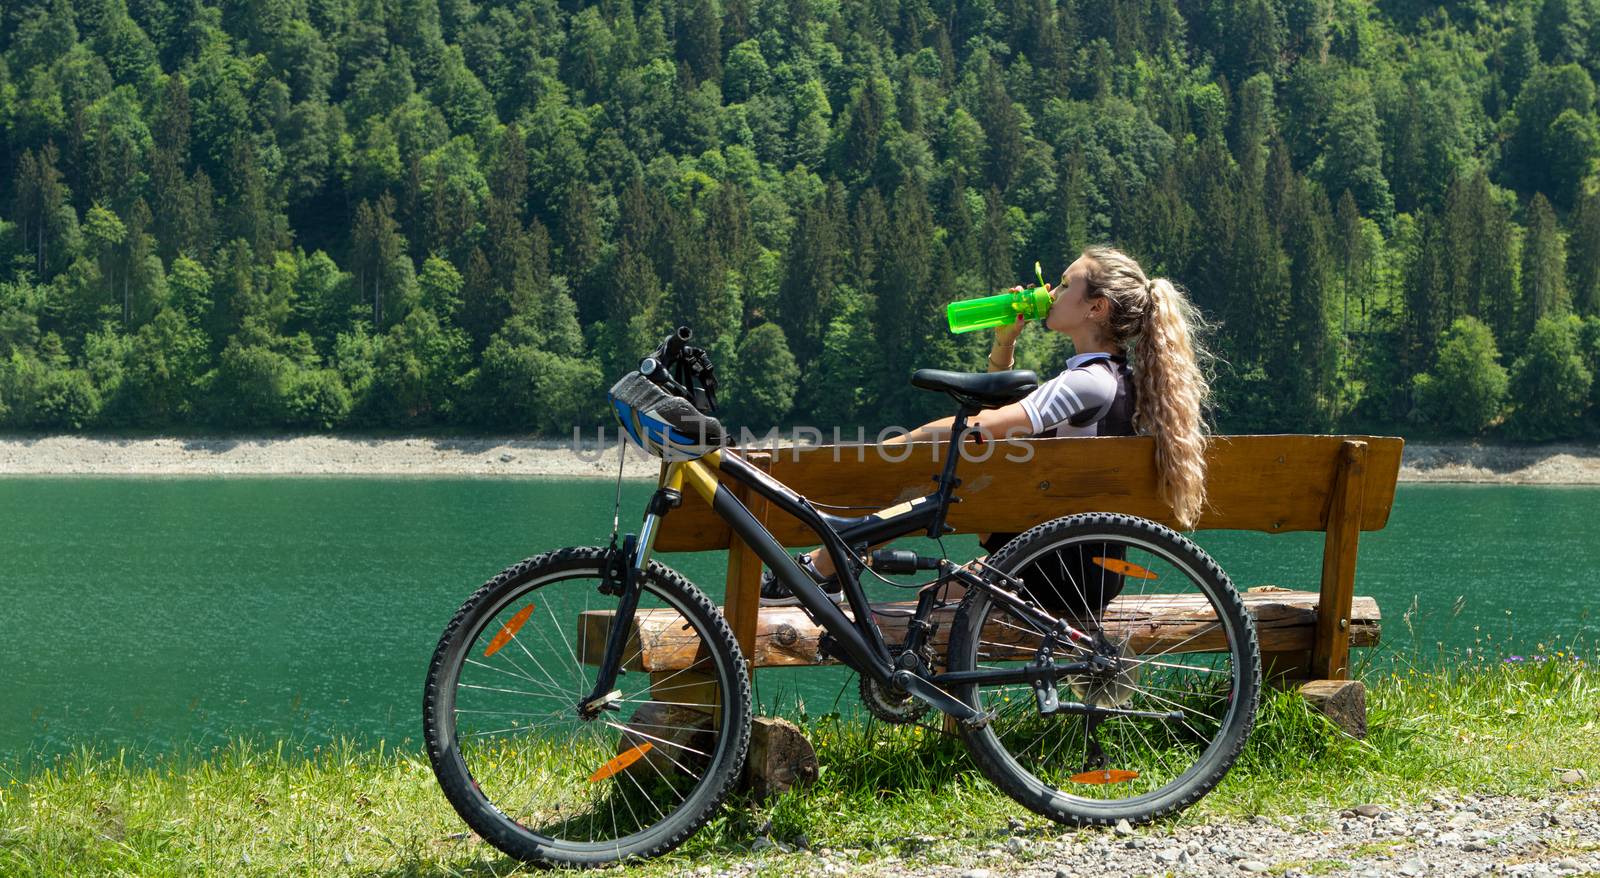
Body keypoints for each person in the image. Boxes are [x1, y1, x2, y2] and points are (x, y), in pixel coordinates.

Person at [759, 245, 1213, 609]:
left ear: (1095, 307)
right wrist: (1004, 344)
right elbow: (1014, 412)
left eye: (1064, 284)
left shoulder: (1086, 383)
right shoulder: (1113, 379)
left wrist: (899, 446)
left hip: (1057, 571)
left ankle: (825, 567)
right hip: (1086, 564)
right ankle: (833, 565)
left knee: (936, 507)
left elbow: (985, 425)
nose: (1051, 292)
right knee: (932, 599)